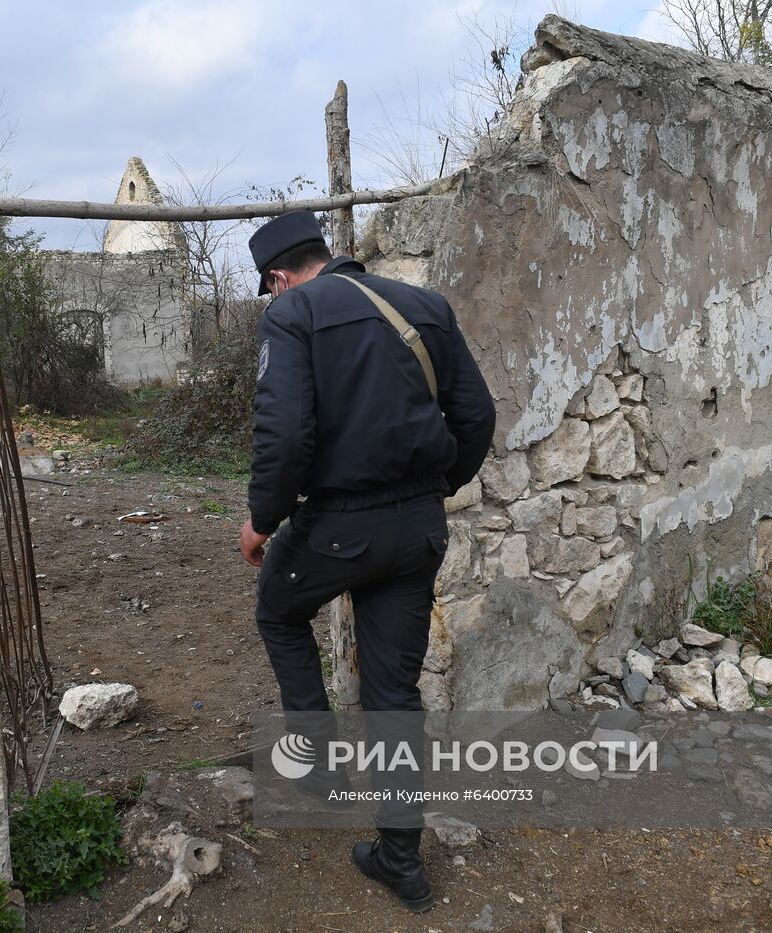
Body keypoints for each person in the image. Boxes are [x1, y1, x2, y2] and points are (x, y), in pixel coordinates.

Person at [240, 210, 495, 912]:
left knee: (278, 607)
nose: (272, 298)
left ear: (280, 277)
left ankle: (318, 767)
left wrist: (262, 520)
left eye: (270, 288)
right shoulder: (424, 305)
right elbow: (477, 416)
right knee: (393, 696)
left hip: (337, 528)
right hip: (417, 531)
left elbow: (285, 433)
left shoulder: (292, 315)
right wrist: (434, 488)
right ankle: (401, 861)